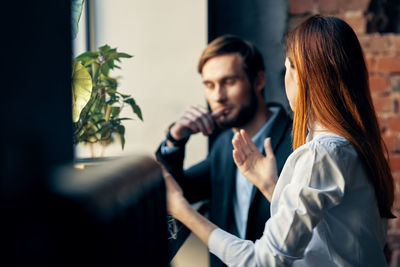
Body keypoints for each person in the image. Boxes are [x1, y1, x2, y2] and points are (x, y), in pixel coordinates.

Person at [163, 15, 395, 266]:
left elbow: (265, 261)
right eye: (208, 85)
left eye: (288, 68)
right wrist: (270, 187)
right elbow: (322, 235)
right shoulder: (348, 143)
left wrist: (183, 212)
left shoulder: (321, 152)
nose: (217, 96)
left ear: (303, 76)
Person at [155, 35, 293, 266]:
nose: (217, 96)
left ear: (258, 81)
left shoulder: (297, 143)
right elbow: (177, 191)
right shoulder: (222, 146)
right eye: (209, 85)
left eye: (229, 82)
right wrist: (174, 140)